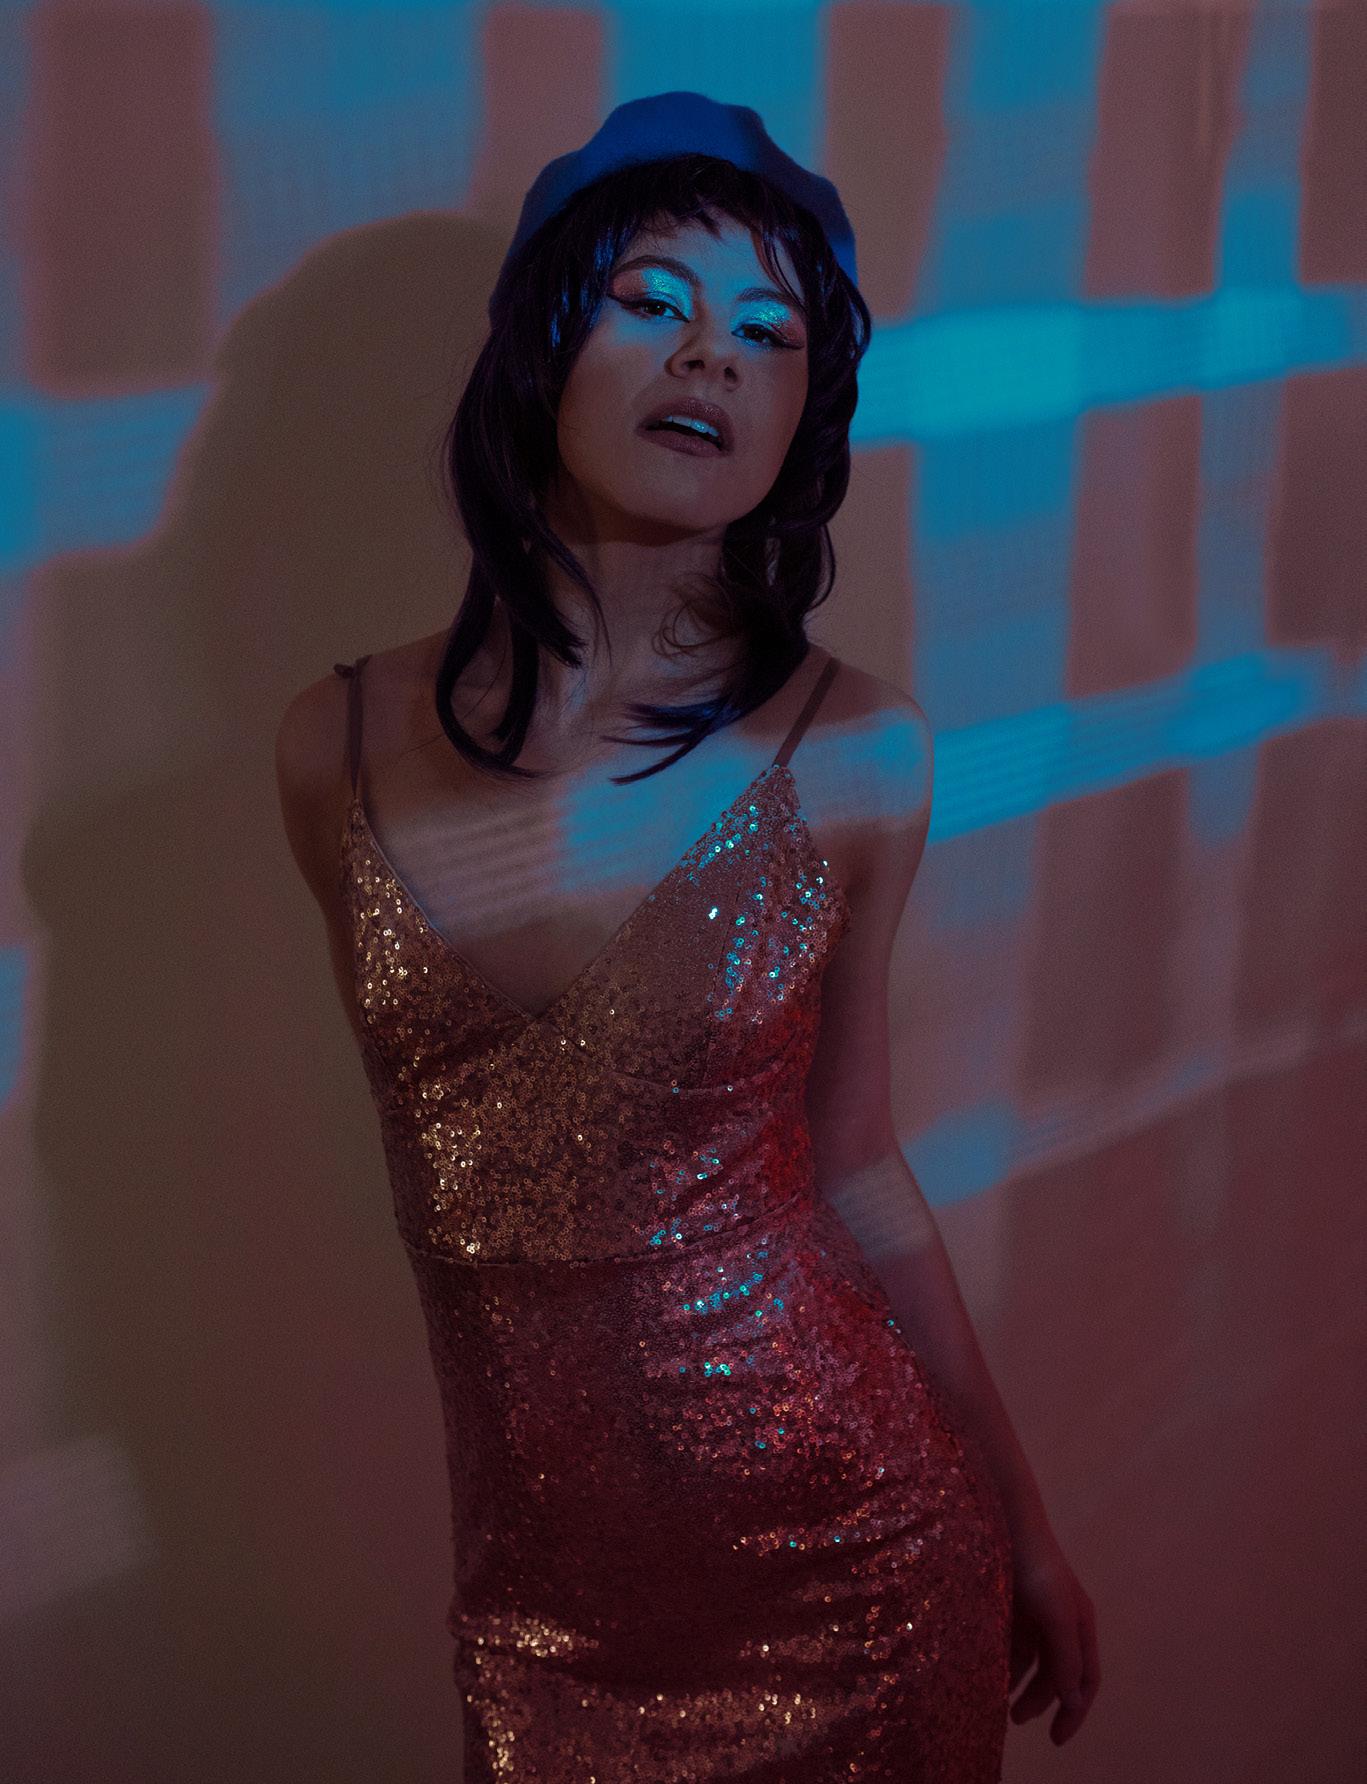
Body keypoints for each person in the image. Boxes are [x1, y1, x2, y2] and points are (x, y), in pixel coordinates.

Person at [275, 91, 1098, 1779]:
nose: (711, 353)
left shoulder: (857, 753)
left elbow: (857, 1164)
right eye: (653, 300)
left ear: (804, 417)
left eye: (769, 333)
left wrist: (1022, 1518)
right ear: (538, 350)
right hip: (542, 1628)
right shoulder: (328, 749)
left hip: (860, 1576)